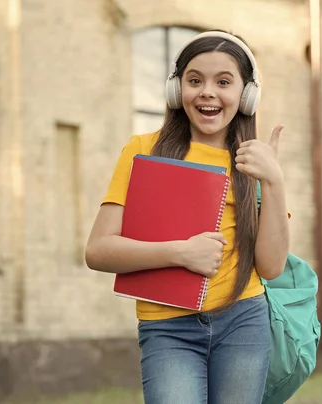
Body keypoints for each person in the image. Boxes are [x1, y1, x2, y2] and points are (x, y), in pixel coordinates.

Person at [84, 30, 290, 404]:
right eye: (195, 80)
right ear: (177, 91)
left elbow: (272, 267)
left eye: (223, 82)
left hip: (244, 320)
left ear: (246, 95)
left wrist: (273, 180)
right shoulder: (144, 150)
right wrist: (181, 253)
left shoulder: (254, 161)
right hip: (167, 327)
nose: (208, 91)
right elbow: (98, 250)